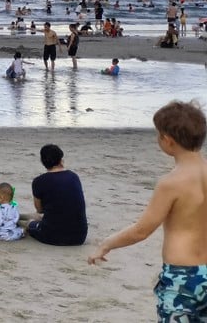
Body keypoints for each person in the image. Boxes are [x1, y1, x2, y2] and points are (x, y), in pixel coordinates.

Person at [88, 101, 207, 321]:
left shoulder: (171, 183)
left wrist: (106, 244)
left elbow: (141, 230)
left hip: (182, 276)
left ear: (167, 140)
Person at [27, 144, 88, 246]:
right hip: (80, 237)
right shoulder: (74, 176)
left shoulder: (39, 181)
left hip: (52, 236)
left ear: (43, 162)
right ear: (61, 160)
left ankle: (18, 218)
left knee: (30, 223)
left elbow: (40, 210)